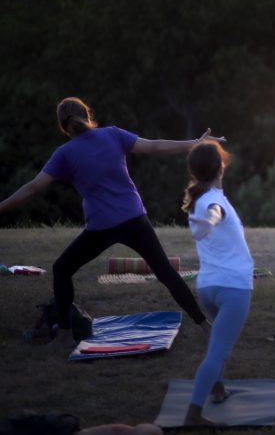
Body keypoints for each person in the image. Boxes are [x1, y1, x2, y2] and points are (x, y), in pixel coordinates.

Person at [0, 98, 214, 346]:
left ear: (63, 126)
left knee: (62, 270)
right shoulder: (113, 134)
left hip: (102, 226)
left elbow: (32, 188)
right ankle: (204, 326)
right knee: (165, 272)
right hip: (134, 218)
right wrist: (195, 144)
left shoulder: (65, 154)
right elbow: (155, 147)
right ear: (88, 116)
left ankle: (65, 335)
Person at [181, 140, 252, 427]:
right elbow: (214, 213)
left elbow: (211, 213)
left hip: (208, 288)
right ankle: (194, 414)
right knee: (218, 350)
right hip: (233, 288)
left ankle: (218, 387)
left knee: (217, 342)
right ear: (221, 166)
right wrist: (209, 222)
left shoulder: (199, 199)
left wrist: (207, 223)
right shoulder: (213, 201)